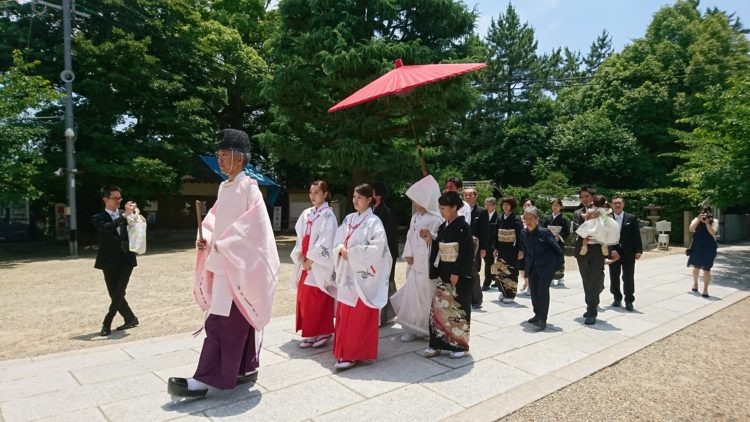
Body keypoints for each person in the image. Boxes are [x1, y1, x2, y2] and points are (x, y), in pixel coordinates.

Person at [168, 129, 280, 398]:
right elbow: (214, 221)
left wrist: (227, 245)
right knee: (230, 321)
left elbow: (255, 230)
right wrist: (205, 237)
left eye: (223, 155)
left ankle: (203, 379)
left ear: (239, 159)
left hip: (237, 266)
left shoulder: (250, 189)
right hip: (224, 265)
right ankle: (245, 368)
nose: (219, 160)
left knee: (225, 324)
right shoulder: (224, 188)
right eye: (218, 155)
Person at [331, 184, 392, 370]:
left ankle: (353, 353)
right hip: (347, 272)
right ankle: (345, 350)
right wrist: (340, 248)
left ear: (369, 200)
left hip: (362, 276)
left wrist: (354, 253)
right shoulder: (349, 218)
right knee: (345, 312)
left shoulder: (374, 222)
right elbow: (338, 238)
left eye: (360, 197)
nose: (355, 200)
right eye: (354, 196)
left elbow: (378, 248)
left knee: (359, 314)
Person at [391, 175, 443, 342]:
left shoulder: (436, 218)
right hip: (414, 262)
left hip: (428, 264)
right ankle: (412, 327)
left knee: (427, 296)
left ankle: (428, 328)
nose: (414, 203)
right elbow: (409, 236)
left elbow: (439, 240)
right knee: (412, 296)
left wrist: (430, 236)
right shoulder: (415, 217)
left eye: (417, 200)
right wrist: (408, 253)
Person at [424, 191, 473, 359]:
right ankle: (437, 343)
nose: (441, 211)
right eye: (440, 208)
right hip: (444, 271)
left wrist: (457, 272)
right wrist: (431, 238)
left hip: (457, 274)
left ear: (454, 208)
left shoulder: (463, 227)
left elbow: (466, 252)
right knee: (438, 309)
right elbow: (439, 245)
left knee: (457, 310)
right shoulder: (444, 226)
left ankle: (460, 346)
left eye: (444, 208)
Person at [290, 180, 338, 348]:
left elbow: (327, 240)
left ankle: (323, 331)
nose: (313, 196)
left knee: (318, 296)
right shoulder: (306, 213)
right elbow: (299, 237)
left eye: (317, 192)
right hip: (305, 261)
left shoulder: (328, 215)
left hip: (317, 263)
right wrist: (302, 256)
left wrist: (311, 259)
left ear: (325, 194)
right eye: (311, 192)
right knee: (305, 297)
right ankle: (310, 332)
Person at [92, 186, 139, 337]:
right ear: (106, 199)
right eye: (115, 198)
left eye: (120, 198)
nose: (119, 201)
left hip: (126, 258)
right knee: (114, 293)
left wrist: (135, 216)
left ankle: (107, 322)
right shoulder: (98, 217)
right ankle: (130, 318)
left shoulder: (127, 215)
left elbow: (137, 230)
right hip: (108, 259)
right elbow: (108, 228)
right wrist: (124, 215)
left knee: (119, 291)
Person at [519, 207, 564, 331]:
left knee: (542, 291)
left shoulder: (545, 232)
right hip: (533, 266)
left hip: (546, 267)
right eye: (526, 218)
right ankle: (537, 314)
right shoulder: (523, 233)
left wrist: (558, 266)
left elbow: (557, 250)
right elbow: (525, 250)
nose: (528, 221)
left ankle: (542, 319)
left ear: (537, 219)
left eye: (531, 218)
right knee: (534, 291)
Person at [573, 186, 608, 325]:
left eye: (587, 196)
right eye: (582, 197)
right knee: (586, 280)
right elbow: (576, 229)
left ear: (593, 197)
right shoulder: (577, 213)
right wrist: (586, 221)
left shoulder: (602, 211)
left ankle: (592, 310)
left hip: (598, 250)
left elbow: (608, 229)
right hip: (583, 250)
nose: (584, 199)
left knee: (593, 280)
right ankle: (591, 304)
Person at [608, 195, 642, 311]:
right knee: (614, 276)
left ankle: (629, 300)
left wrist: (638, 250)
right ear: (612, 205)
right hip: (614, 252)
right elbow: (605, 235)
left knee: (628, 277)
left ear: (623, 204)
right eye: (615, 203)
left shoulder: (631, 218)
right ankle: (617, 297)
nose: (617, 205)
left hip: (628, 252)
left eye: (619, 203)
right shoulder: (607, 218)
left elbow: (636, 235)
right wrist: (610, 249)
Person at [372, 182, 399, 325]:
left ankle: (383, 317)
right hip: (376, 253)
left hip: (385, 252)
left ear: (379, 196)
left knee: (385, 283)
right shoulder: (372, 210)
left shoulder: (385, 212)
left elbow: (389, 236)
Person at [494, 197, 523, 303]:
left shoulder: (516, 219)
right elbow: (495, 234)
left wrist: (520, 249)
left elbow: (520, 235)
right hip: (501, 248)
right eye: (504, 204)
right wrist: (495, 248)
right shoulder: (499, 218)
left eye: (508, 204)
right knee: (501, 270)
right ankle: (503, 291)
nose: (505, 206)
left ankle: (510, 294)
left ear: (512, 206)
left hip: (512, 248)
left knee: (511, 271)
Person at [687, 206, 719, 298]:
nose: (705, 214)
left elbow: (713, 233)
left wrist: (707, 223)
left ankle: (705, 289)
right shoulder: (696, 219)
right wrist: (698, 219)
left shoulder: (714, 221)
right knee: (696, 267)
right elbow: (691, 229)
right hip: (697, 245)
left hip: (709, 246)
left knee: (707, 268)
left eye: (707, 212)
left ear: (710, 213)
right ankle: (695, 283)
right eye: (703, 212)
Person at [464, 187, 485, 309]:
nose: (467, 197)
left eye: (470, 195)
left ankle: (477, 299)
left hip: (475, 246)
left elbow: (484, 231)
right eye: (465, 195)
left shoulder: (481, 211)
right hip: (463, 245)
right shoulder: (460, 209)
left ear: (476, 196)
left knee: (473, 271)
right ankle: (468, 297)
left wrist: (484, 248)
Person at [542, 198, 570, 286]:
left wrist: (559, 236)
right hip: (549, 242)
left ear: (560, 207)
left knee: (559, 259)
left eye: (557, 206)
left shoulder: (563, 219)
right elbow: (543, 229)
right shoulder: (547, 218)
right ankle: (550, 277)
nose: (555, 207)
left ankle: (560, 277)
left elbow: (566, 231)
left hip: (558, 241)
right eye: (553, 205)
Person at [517, 199, 536, 296]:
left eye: (528, 205)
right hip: (521, 246)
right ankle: (526, 282)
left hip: (532, 247)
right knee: (521, 268)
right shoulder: (518, 218)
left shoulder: (535, 218)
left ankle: (530, 286)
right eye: (524, 205)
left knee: (530, 267)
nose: (526, 207)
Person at [480, 197, 498, 291]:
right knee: (490, 263)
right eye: (485, 204)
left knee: (489, 263)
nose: (486, 206)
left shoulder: (497, 217)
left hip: (492, 244)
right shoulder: (482, 214)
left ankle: (487, 282)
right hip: (483, 242)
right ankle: (494, 277)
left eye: (488, 205)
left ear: (494, 206)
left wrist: (495, 246)